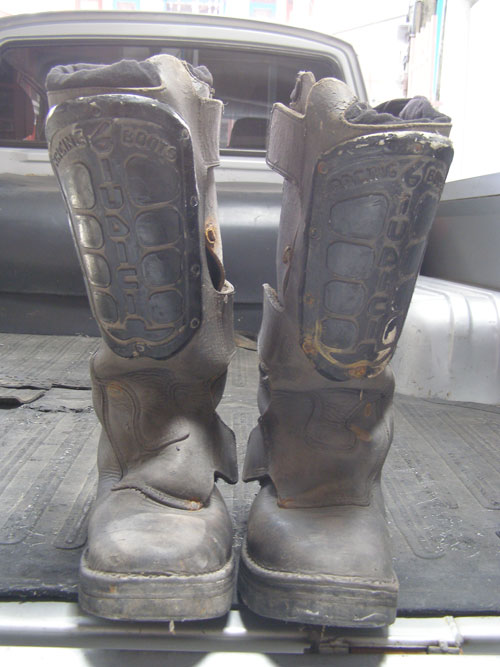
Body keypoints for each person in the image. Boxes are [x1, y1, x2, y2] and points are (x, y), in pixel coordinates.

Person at [45, 55, 453, 626]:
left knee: (346, 337)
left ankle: (325, 472)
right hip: (150, 438)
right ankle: (157, 458)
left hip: (335, 466)